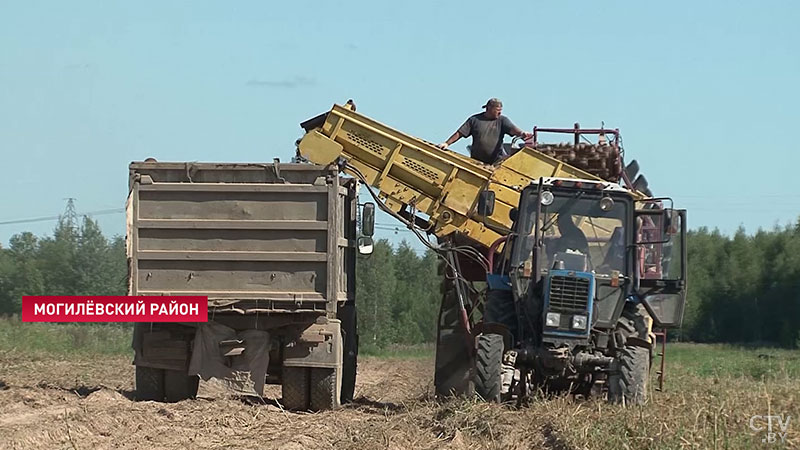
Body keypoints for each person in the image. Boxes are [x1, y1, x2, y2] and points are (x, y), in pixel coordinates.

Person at [438, 98, 533, 165]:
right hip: (477, 162)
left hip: (496, 162)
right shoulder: (474, 120)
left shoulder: (502, 120)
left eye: (501, 110)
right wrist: (446, 143)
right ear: (489, 108)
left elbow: (513, 129)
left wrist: (522, 133)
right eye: (497, 110)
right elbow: (460, 133)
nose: (500, 113)